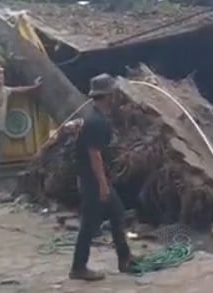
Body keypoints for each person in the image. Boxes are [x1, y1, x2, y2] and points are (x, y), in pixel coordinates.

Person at [70, 73, 138, 281]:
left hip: (95, 178)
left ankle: (125, 259)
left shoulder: (94, 118)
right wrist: (102, 185)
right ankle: (78, 267)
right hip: (93, 180)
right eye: (114, 93)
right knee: (89, 224)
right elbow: (95, 155)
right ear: (108, 95)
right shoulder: (96, 122)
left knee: (118, 214)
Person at [0, 64, 41, 194]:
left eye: (1, 73)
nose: (1, 76)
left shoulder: (4, 89)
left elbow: (19, 90)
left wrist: (35, 87)